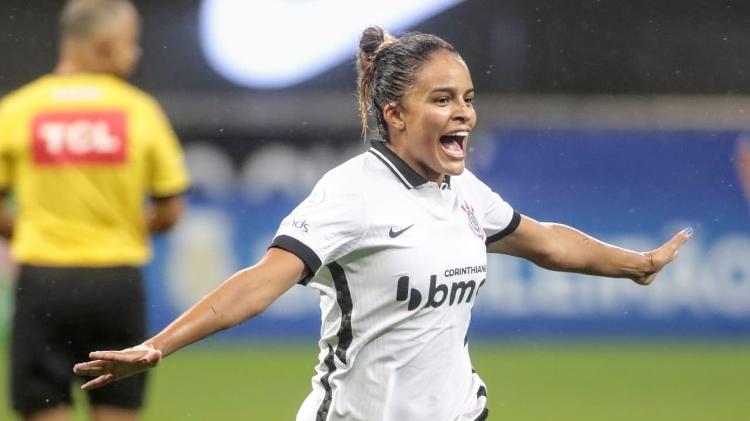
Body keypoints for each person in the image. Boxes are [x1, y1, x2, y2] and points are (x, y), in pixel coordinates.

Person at [73, 26, 690, 421]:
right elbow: (262, 281)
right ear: (394, 114)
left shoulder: (462, 191)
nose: (464, 114)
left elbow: (549, 243)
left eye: (468, 97)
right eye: (442, 99)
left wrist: (636, 266)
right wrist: (158, 345)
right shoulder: (352, 194)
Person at [0, 0, 190, 420]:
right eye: (130, 43)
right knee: (116, 407)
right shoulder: (140, 111)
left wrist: (22, 227)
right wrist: (122, 226)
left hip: (42, 280)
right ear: (105, 46)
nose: (135, 53)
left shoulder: (19, 110)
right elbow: (170, 209)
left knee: (43, 407)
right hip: (115, 285)